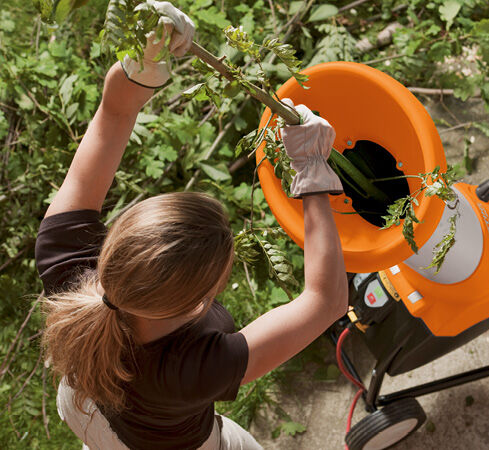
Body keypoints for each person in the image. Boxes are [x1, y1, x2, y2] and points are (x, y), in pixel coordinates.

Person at [35, 2, 348, 449]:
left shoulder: (66, 259)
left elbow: (113, 115)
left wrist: (143, 64)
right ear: (201, 302)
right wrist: (314, 170)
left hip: (82, 406)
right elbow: (327, 300)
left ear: (121, 239)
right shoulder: (194, 370)